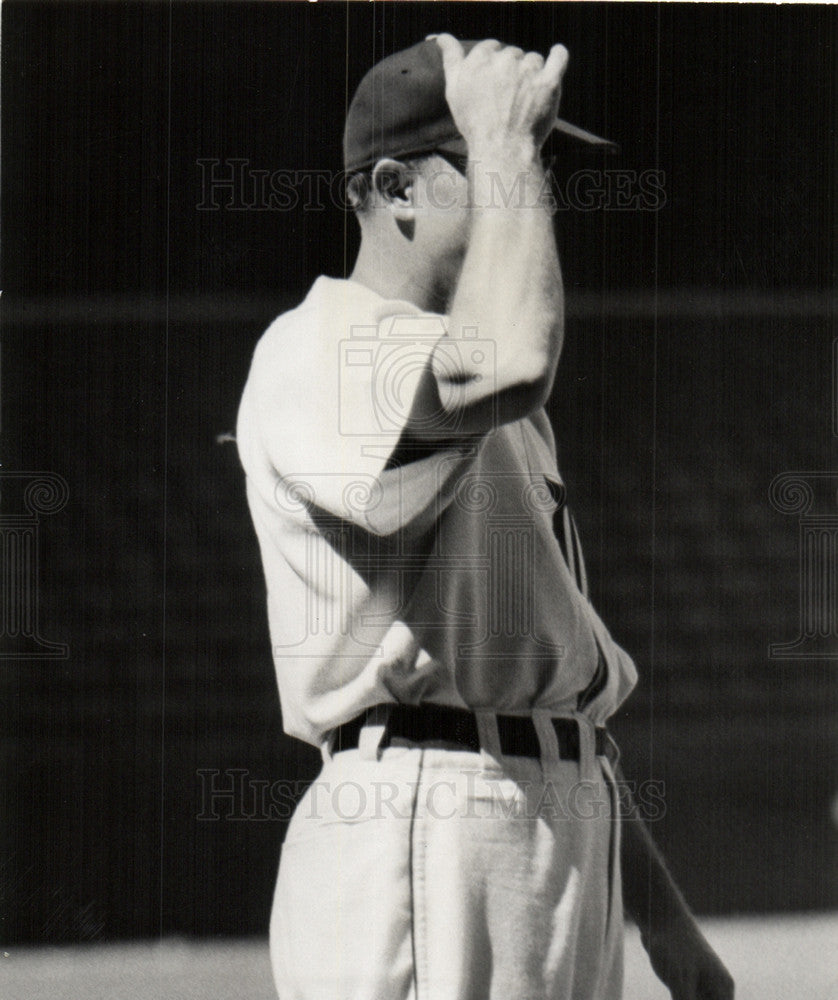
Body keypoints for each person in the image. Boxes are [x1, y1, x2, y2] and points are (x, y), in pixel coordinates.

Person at [236, 34, 735, 1000]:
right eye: (492, 154)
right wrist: (507, 143)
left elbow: (547, 695)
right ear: (396, 187)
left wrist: (662, 921)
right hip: (429, 822)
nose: (529, 179)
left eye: (536, 157)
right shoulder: (321, 345)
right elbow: (513, 359)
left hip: (551, 828)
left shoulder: (505, 414)